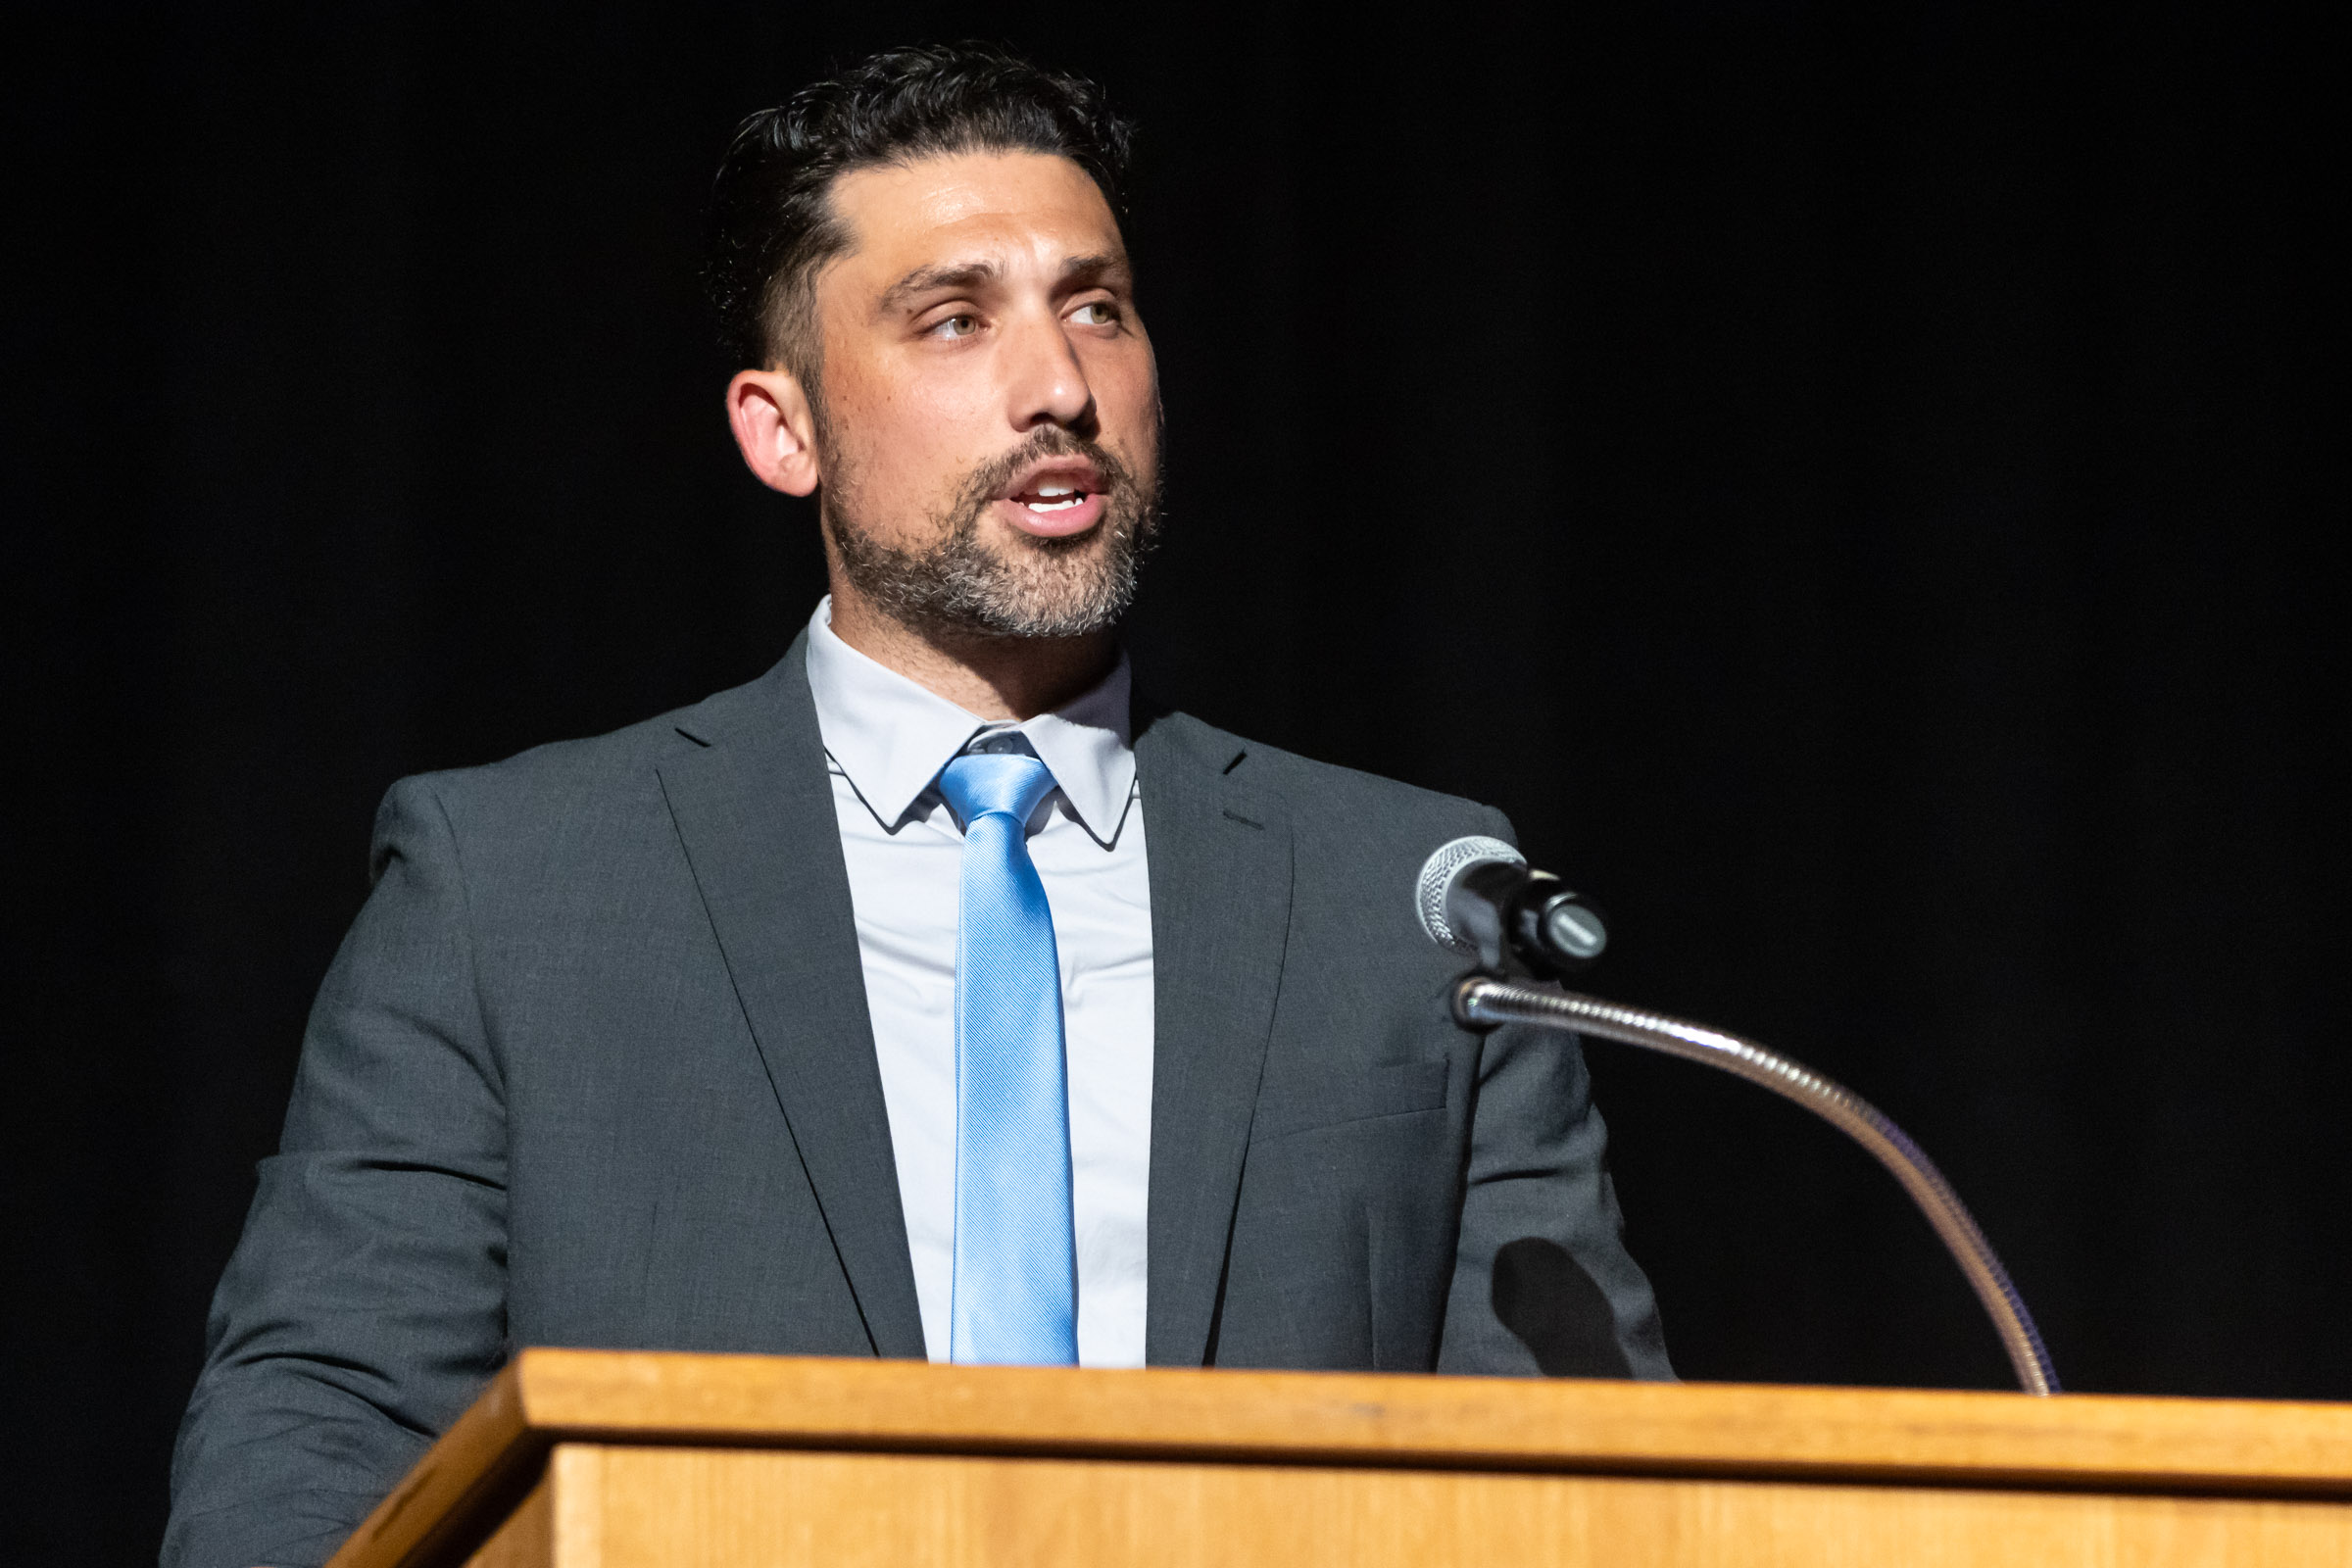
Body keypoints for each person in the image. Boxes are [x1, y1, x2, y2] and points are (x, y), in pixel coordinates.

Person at [163, 43, 1670, 1568]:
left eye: (1098, 306)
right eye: (956, 320)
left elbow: (1588, 1481)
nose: (1061, 387)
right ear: (783, 428)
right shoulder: (514, 894)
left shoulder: (1409, 900)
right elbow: (319, 1443)